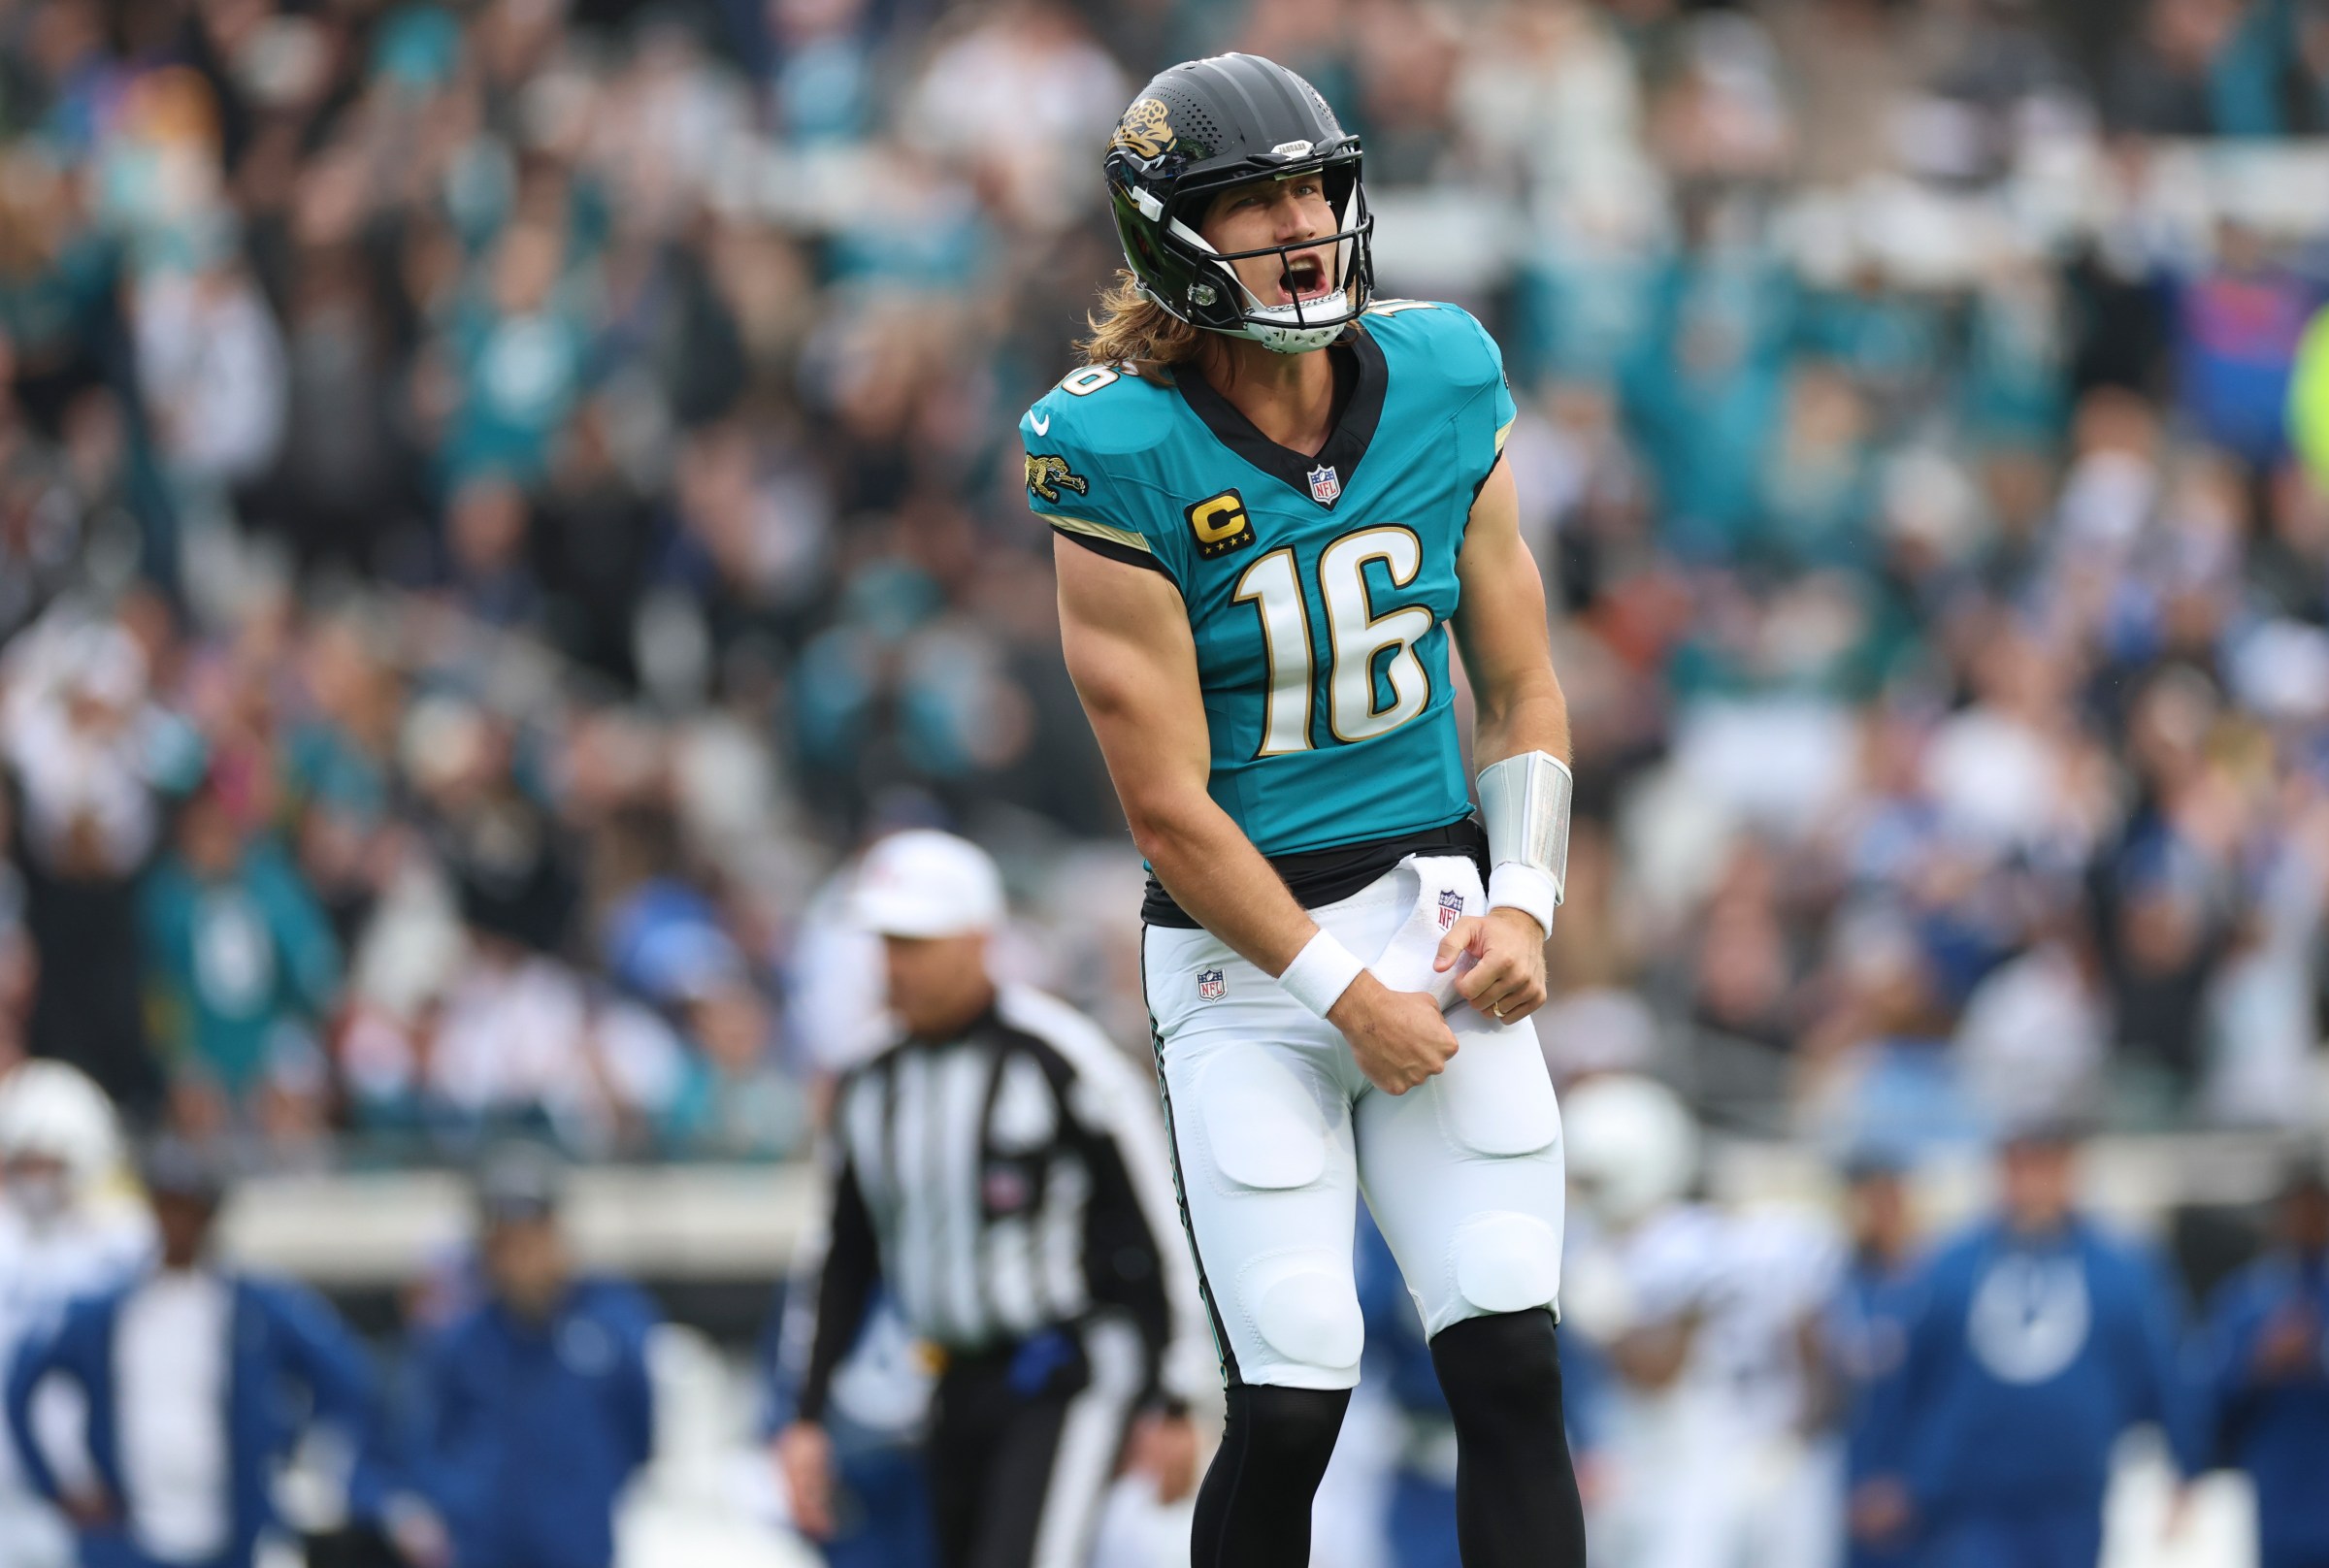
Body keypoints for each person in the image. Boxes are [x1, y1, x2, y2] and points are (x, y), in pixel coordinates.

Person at [1028, 52, 1586, 1566]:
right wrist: (1343, 994)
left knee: (1512, 1355)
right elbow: (1167, 813)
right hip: (1247, 961)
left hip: (1436, 910)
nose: (1300, 227)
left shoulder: (1445, 373)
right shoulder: (1114, 448)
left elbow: (1522, 688)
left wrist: (1526, 900)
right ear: (1172, 238)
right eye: (1254, 202)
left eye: (1314, 189)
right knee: (1292, 1391)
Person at [774, 829, 1207, 1568]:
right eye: (885, 943)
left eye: (915, 943)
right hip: (946, 1379)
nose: (894, 966)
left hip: (1066, 1372)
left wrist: (1175, 1395)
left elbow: (1158, 1226)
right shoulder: (867, 1079)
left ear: (978, 940)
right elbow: (841, 1253)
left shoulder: (1060, 1059)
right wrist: (806, 1415)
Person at [2, 1138, 385, 1568]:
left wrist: (299, 1459)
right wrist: (56, 1487)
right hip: (130, 1537)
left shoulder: (256, 1309)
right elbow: (23, 1382)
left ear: (210, 1215)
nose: (178, 1223)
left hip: (236, 1534)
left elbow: (348, 1378)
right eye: (168, 1207)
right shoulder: (109, 1310)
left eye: (190, 1209)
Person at [1857, 1119, 2200, 1568]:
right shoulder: (1949, 1266)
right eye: (2020, 1165)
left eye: (2046, 1166)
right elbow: (1905, 1379)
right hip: (1968, 1495)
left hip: (2072, 1491)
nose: (2032, 1182)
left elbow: (2165, 1372)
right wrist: (1881, 1470)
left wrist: (2185, 1470)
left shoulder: (2122, 1269)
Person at [393, 1146, 658, 1568]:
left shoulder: (610, 1320)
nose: (521, 1258)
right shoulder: (460, 1341)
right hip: (485, 1551)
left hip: (580, 1546)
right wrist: (464, 1504)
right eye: (506, 1243)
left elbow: (639, 1430)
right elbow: (428, 1443)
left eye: (532, 1237)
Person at [0, 1062, 152, 1568]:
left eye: (50, 1164)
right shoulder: (7, 1241)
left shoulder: (127, 1244)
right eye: (26, 1163)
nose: (37, 1179)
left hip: (101, 1494)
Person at [2198, 1159, 2329, 1568]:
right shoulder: (2247, 1300)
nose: (2306, 1222)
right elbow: (2209, 1406)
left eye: (2316, 1209)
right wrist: (2259, 1364)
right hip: (2281, 1509)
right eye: (2296, 1210)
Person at [1823, 1149, 1922, 1568]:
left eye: (1884, 1198)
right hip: (1850, 1467)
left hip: (1912, 1474)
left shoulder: (1932, 1284)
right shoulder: (1838, 1281)